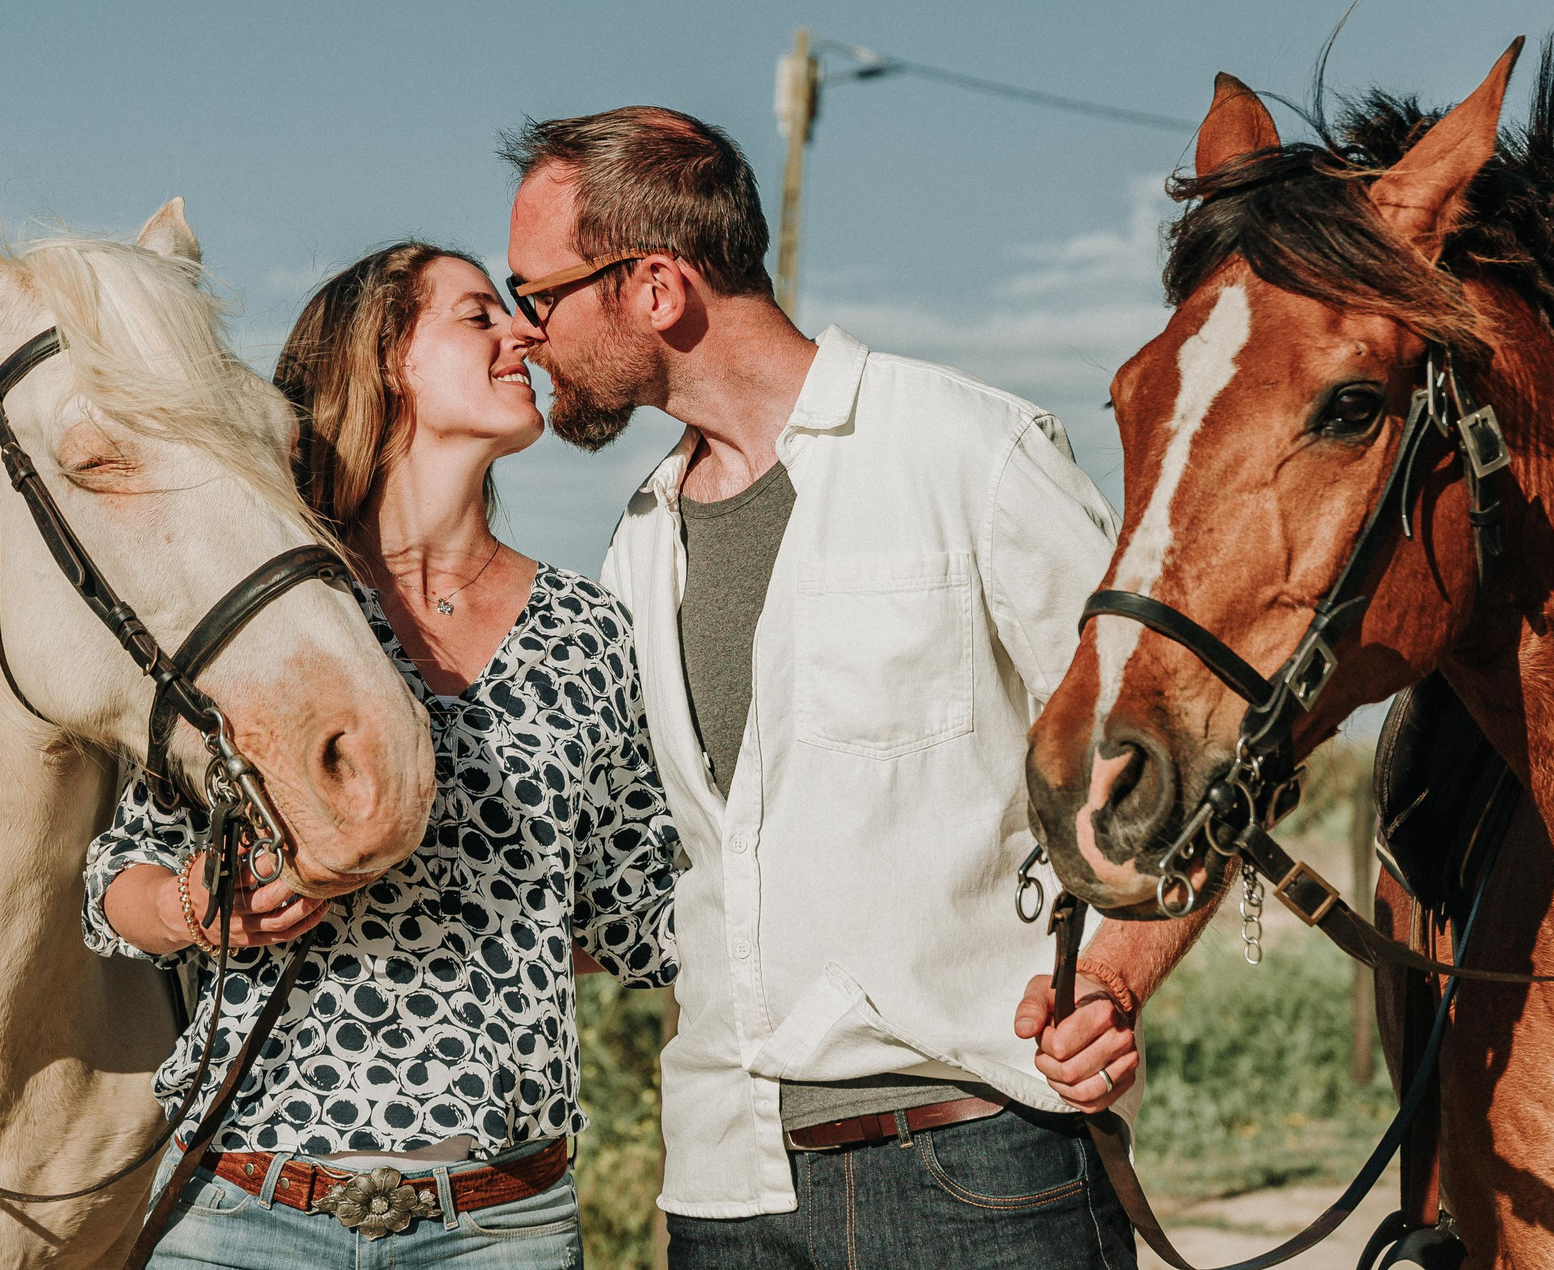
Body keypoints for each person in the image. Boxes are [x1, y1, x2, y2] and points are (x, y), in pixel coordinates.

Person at [499, 108, 1198, 1270]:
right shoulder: (638, 541)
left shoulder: (969, 454)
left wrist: (1116, 981)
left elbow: (1178, 750)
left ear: (657, 288)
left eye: (537, 293)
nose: (525, 332)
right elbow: (643, 867)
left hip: (982, 1167)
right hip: (726, 1191)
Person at [82, 242, 677, 1269]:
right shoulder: (272, 613)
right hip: (245, 1210)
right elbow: (114, 880)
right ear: (386, 360)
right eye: (478, 315)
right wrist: (193, 907)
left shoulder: (588, 630)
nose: (523, 332)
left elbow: (638, 917)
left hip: (500, 1228)